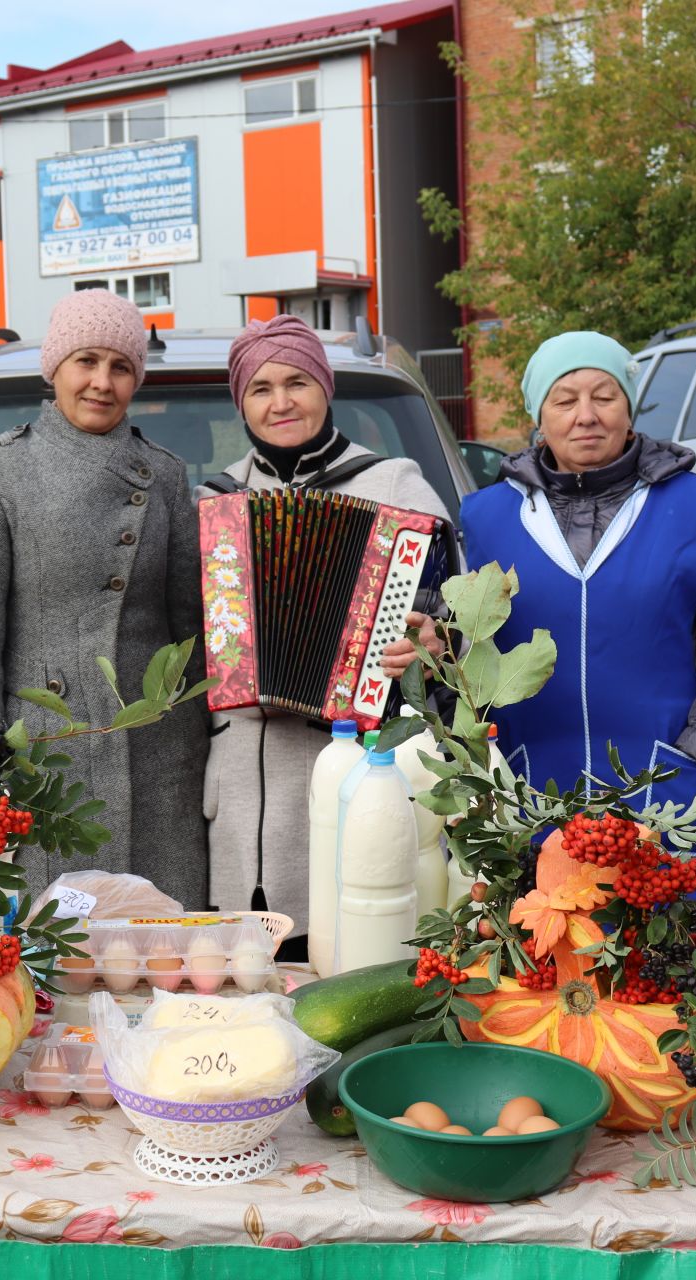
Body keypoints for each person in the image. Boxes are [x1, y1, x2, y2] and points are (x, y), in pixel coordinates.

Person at [0, 290, 207, 907]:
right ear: (54, 368)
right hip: (45, 757)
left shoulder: (164, 473)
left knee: (159, 959)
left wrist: (195, 736)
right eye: (86, 361)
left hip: (157, 759)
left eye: (121, 367)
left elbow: (189, 627)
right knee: (53, 963)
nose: (102, 382)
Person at [198, 314, 453, 938]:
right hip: (243, 802)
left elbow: (452, 619)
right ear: (241, 404)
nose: (281, 402)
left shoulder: (396, 487)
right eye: (260, 389)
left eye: (297, 382)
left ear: (324, 387)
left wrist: (436, 639)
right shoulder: (214, 502)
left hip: (362, 779)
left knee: (355, 950)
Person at [460, 331, 696, 828]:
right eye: (564, 400)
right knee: (539, 907)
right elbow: (463, 654)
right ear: (539, 419)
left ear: (629, 412)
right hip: (527, 796)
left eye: (605, 397)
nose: (586, 415)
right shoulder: (485, 520)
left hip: (671, 794)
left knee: (676, 907)